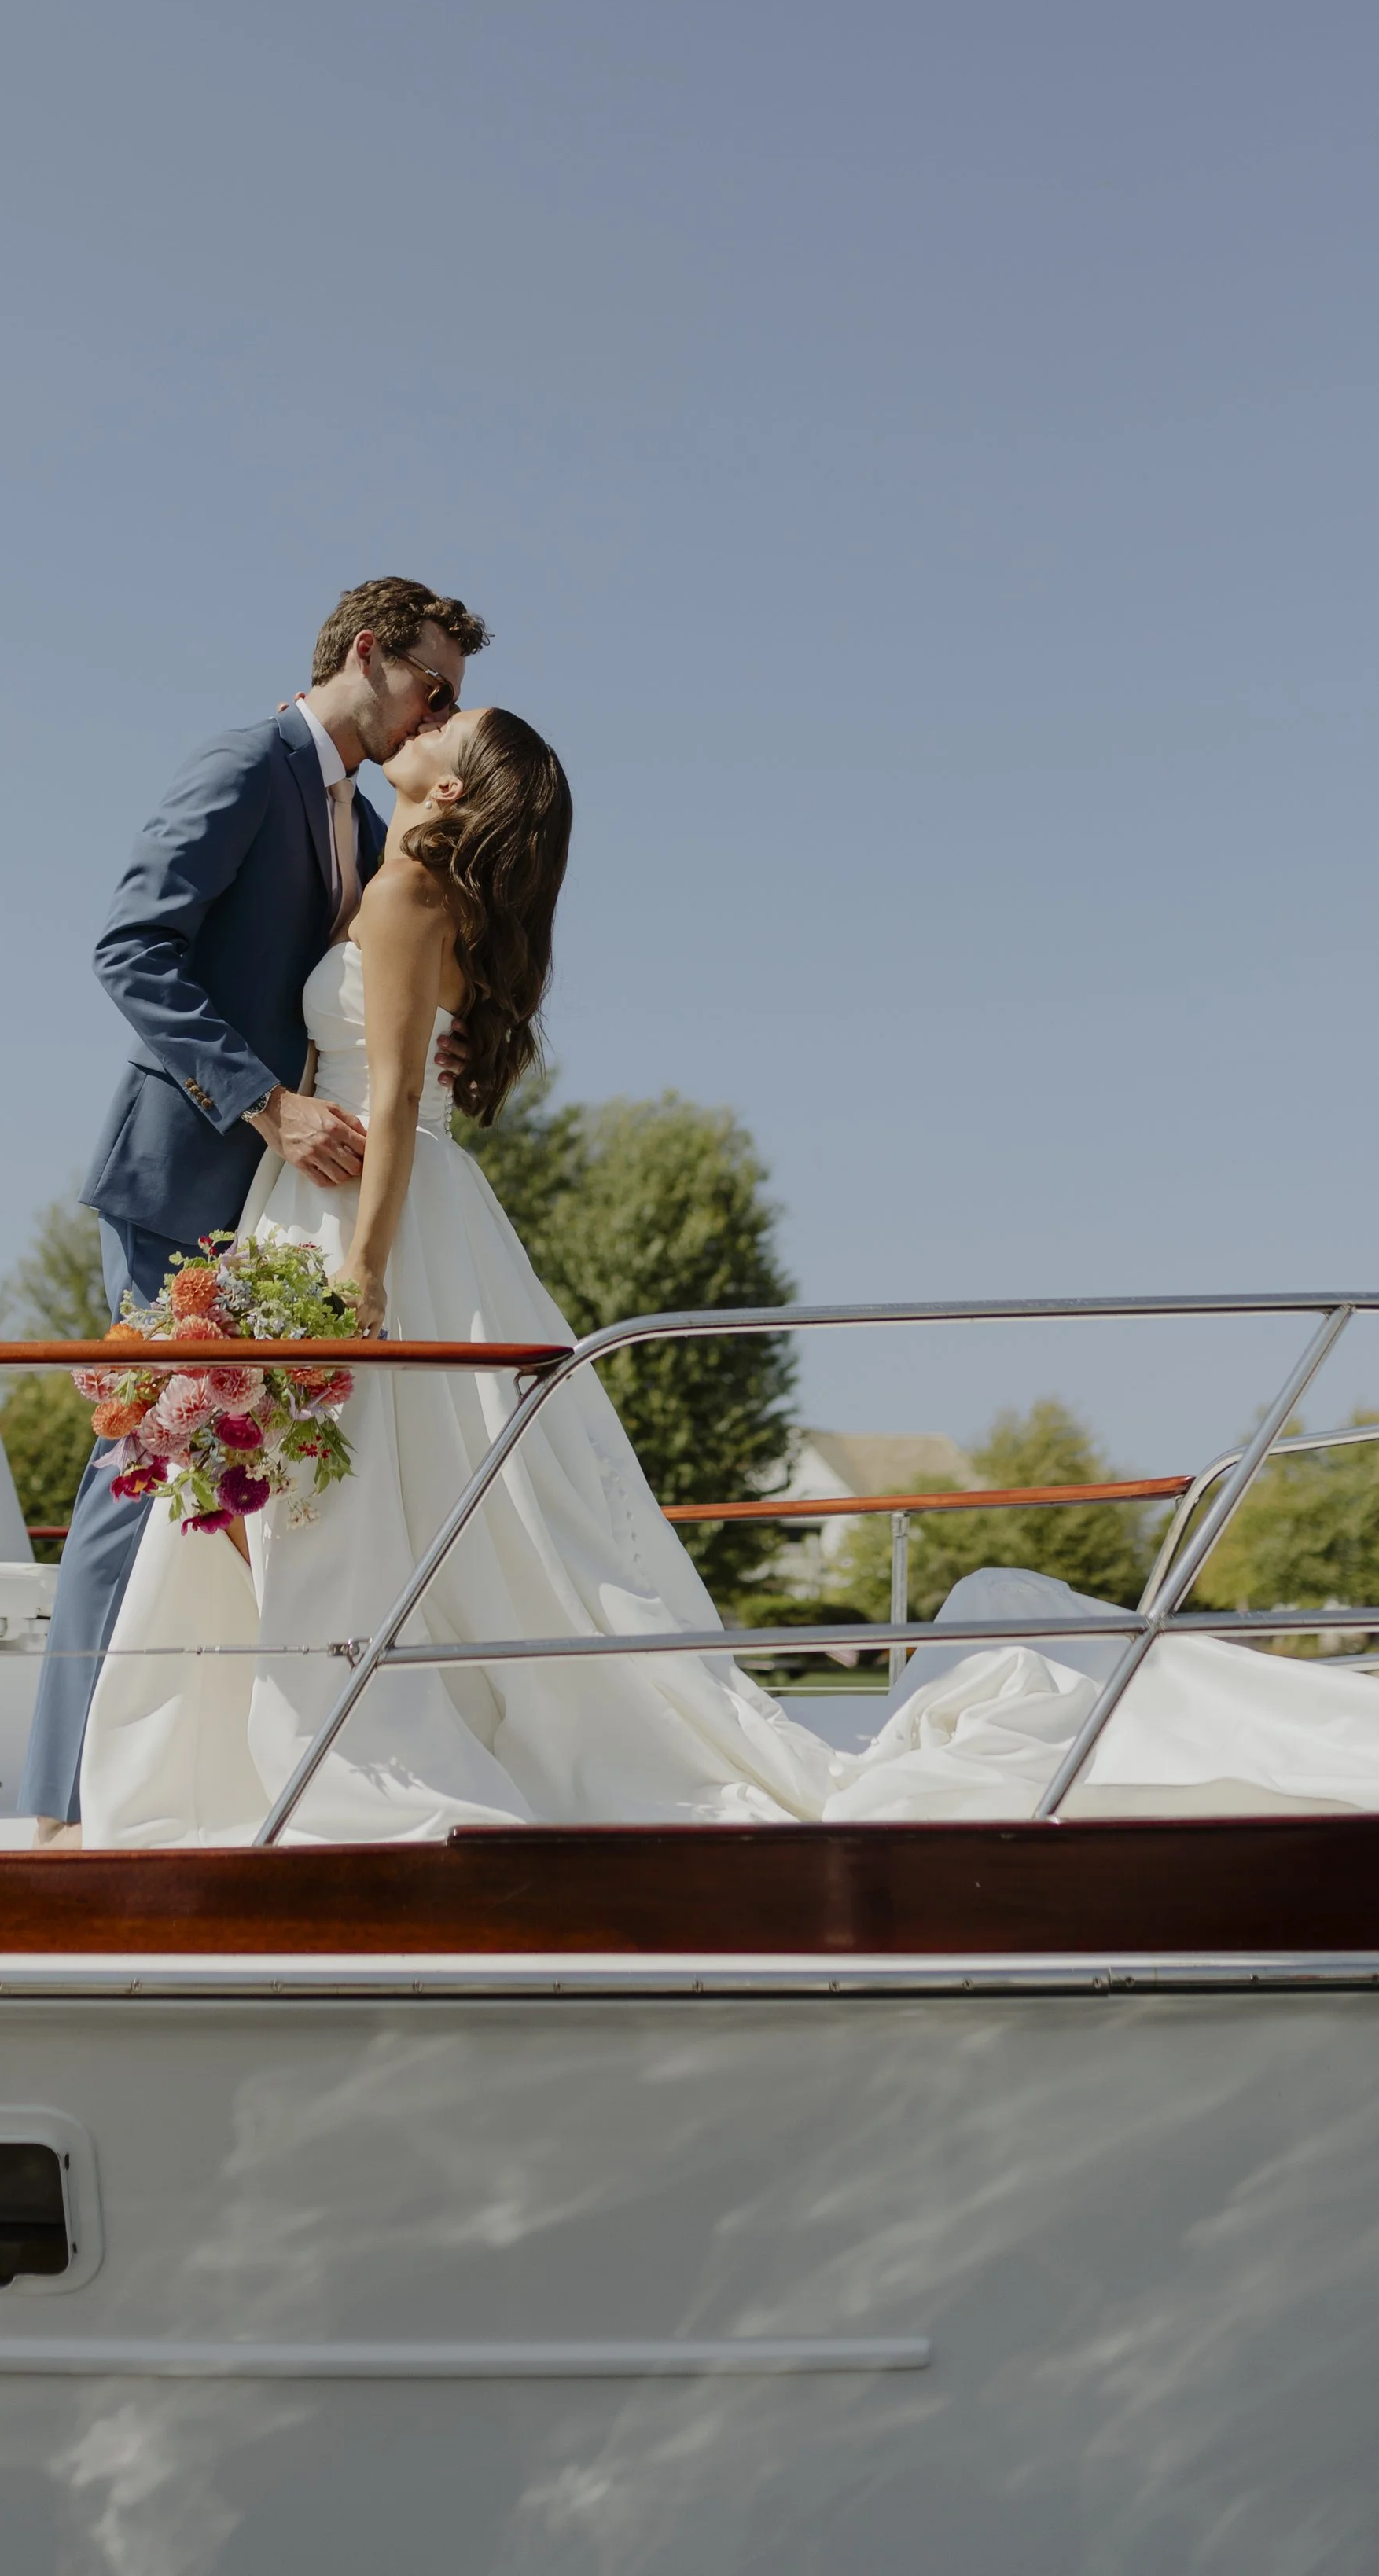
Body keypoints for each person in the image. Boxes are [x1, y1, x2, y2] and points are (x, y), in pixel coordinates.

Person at [77, 706, 1379, 1843]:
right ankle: (308, 1729)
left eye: (452, 725)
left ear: (454, 792)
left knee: (352, 1502)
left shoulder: (413, 881)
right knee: (374, 1500)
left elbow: (401, 1092)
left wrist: (361, 1272)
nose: (427, 723)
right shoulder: (410, 870)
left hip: (373, 1213)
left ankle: (328, 1745)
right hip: (348, 1198)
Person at [17, 576, 491, 1840]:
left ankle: (204, 1775)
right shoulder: (246, 763)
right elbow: (131, 947)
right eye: (433, 684)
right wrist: (265, 1103)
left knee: (241, 1498)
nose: (438, 710)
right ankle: (62, 1804)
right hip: (188, 1174)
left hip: (281, 1206)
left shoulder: (361, 818)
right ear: (368, 652)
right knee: (145, 1466)